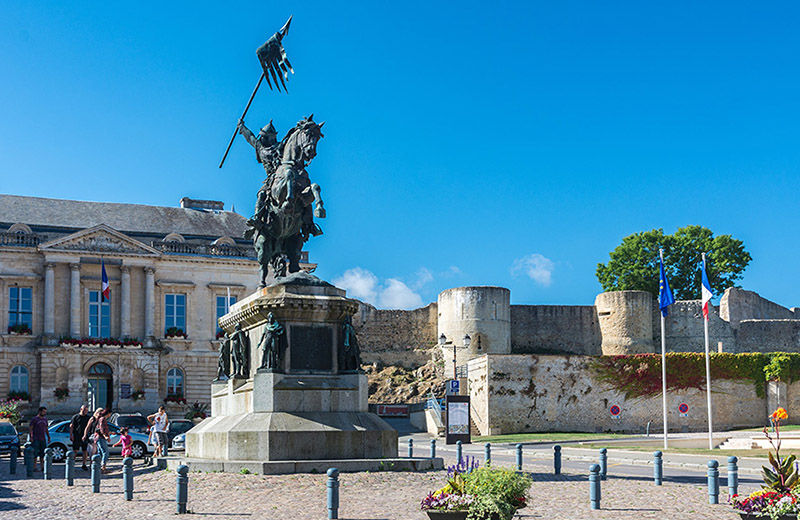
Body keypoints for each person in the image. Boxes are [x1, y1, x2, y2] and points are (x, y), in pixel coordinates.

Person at [69, 404, 91, 470]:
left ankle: (84, 464)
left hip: (85, 436)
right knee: (75, 450)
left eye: (87, 410)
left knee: (85, 450)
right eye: (84, 410)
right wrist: (71, 435)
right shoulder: (75, 417)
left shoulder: (88, 418)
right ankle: (72, 463)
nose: (86, 411)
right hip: (76, 435)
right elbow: (71, 426)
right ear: (81, 409)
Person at [28, 406, 49, 472]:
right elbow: (30, 429)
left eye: (45, 412)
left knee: (42, 454)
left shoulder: (45, 420)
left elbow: (46, 429)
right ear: (39, 411)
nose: (44, 413)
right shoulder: (34, 419)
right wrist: (31, 437)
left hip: (43, 438)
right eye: (43, 411)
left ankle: (42, 467)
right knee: (35, 453)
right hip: (36, 438)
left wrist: (48, 437)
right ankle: (34, 466)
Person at [94, 408, 111, 473]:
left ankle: (98, 467)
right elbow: (102, 429)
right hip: (100, 437)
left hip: (98, 437)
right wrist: (106, 436)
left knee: (100, 453)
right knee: (105, 452)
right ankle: (103, 467)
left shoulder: (100, 418)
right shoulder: (103, 419)